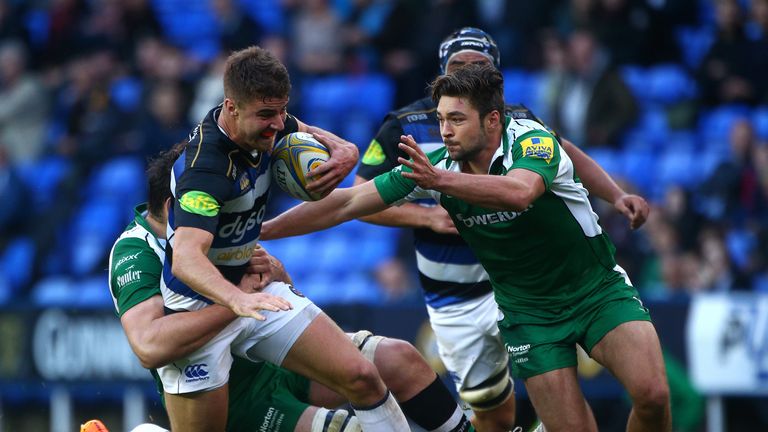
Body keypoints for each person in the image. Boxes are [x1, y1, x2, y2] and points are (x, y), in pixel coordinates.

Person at [262, 64, 672, 432]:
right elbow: (347, 203)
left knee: (653, 397)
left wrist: (437, 182)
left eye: (456, 119)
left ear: (492, 120)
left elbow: (519, 192)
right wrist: (259, 231)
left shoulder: (532, 141)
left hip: (596, 291)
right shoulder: (437, 164)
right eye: (441, 119)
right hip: (530, 315)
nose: (444, 131)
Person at [354, 27, 649, 432]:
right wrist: (426, 217)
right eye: (459, 66)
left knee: (574, 400)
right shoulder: (404, 125)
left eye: (480, 65)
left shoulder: (519, 119)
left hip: (522, 284)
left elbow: (566, 155)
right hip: (454, 294)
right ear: (442, 71)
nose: (469, 73)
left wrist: (614, 194)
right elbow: (359, 198)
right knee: (492, 412)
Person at [159, 45, 449, 432]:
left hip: (256, 293)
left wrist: (344, 150)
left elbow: (302, 131)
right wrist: (237, 299)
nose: (278, 125)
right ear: (231, 108)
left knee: (362, 376)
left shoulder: (267, 121)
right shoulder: (205, 169)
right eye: (267, 115)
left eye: (282, 111)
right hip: (199, 311)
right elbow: (186, 257)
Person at [107, 144, 476, 432]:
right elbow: (150, 346)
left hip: (274, 362)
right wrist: (237, 301)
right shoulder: (135, 252)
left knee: (400, 360)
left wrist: (278, 277)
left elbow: (278, 301)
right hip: (234, 396)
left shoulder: (213, 223)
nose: (220, 212)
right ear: (175, 206)